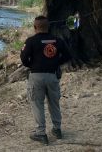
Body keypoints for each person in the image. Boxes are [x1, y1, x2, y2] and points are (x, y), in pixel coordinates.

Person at [20, 16, 71, 145]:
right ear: (48, 27)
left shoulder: (31, 41)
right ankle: (57, 129)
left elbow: (24, 58)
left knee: (37, 104)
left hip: (36, 76)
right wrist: (55, 63)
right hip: (52, 75)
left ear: (35, 27)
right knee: (54, 103)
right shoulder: (58, 40)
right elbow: (67, 56)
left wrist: (31, 65)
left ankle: (41, 133)